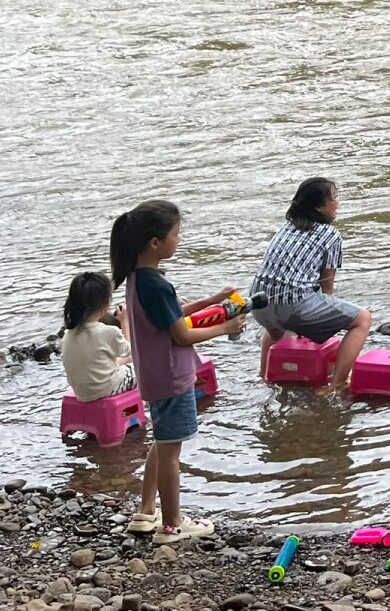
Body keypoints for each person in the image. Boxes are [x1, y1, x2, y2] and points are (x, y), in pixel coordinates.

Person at [109, 199, 247, 543]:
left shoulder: (138, 278)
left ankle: (146, 511)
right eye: (176, 234)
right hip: (171, 377)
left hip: (154, 375)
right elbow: (181, 333)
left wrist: (211, 301)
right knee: (171, 451)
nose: (179, 239)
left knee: (163, 441)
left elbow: (172, 313)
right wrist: (225, 328)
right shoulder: (156, 284)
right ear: (155, 243)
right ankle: (172, 524)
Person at [249, 177, 372, 394]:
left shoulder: (285, 228)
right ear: (318, 207)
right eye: (334, 198)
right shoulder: (330, 235)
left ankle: (265, 376)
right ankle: (336, 385)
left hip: (258, 303)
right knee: (362, 319)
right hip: (293, 305)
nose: (338, 203)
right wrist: (321, 320)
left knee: (277, 326)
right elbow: (327, 286)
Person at [61, 271, 134, 401]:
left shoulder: (68, 334)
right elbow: (130, 351)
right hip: (107, 389)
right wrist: (125, 322)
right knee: (145, 367)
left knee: (117, 362)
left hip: (82, 394)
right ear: (106, 303)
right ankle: (144, 406)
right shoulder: (108, 332)